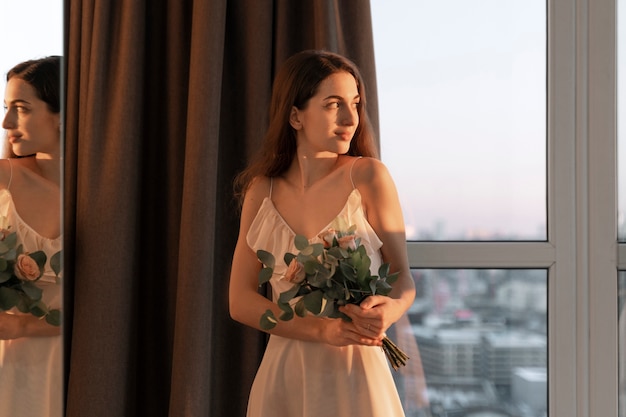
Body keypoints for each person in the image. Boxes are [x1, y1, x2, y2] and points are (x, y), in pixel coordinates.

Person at [229, 50, 416, 417]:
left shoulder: (368, 177)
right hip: (284, 378)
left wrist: (390, 309)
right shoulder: (260, 191)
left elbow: (403, 279)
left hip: (357, 376)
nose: (350, 118)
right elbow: (240, 301)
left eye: (355, 103)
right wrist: (321, 331)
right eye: (333, 104)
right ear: (295, 115)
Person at [0, 56, 63, 417]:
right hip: (12, 365)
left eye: (20, 109)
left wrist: (25, 324)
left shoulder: (110, 198)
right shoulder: (7, 179)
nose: (6, 122)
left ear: (62, 113)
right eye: (6, 108)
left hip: (78, 365)